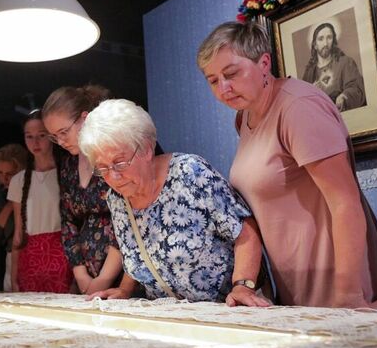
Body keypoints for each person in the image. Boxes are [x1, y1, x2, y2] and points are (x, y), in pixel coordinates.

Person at [198, 20, 377, 309]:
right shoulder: (243, 118)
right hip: (295, 276)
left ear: (264, 63)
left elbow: (345, 202)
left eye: (231, 73)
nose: (224, 88)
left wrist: (348, 293)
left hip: (337, 277)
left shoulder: (298, 107)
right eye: (213, 80)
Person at [78, 99, 269, 306]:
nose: (113, 177)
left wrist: (242, 287)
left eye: (120, 163)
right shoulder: (117, 199)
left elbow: (244, 230)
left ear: (147, 149)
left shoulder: (190, 173)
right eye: (103, 168)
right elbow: (140, 252)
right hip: (173, 319)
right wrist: (125, 290)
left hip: (227, 309)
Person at [42, 85, 124, 294]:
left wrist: (105, 278)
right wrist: (81, 275)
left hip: (123, 274)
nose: (60, 142)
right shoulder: (68, 166)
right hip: (87, 277)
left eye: (63, 132)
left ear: (85, 118)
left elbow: (127, 219)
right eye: (53, 137)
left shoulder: (113, 157)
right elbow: (68, 220)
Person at [8, 110, 73, 293]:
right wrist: (13, 278)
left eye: (41, 136)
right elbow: (18, 233)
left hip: (62, 253)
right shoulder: (18, 180)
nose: (35, 143)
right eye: (29, 137)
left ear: (52, 137)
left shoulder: (67, 172)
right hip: (30, 257)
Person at [0, 143, 29, 291]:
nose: (4, 179)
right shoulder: (0, 197)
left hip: (36, 252)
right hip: (12, 256)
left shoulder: (34, 190)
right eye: (0, 173)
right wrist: (12, 202)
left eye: (9, 174)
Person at [301, 22, 366, 111]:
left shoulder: (346, 63)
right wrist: (312, 93)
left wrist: (344, 96)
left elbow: (356, 87)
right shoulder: (309, 73)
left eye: (329, 38)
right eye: (321, 39)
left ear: (333, 41)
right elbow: (302, 103)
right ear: (315, 45)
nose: (325, 43)